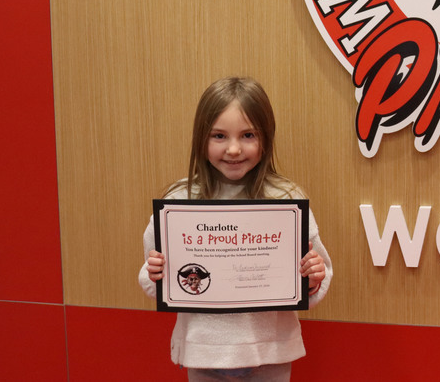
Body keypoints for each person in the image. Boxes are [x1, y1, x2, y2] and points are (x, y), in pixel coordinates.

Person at [139, 77, 331, 382]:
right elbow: (152, 278)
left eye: (248, 135)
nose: (233, 149)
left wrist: (313, 277)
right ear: (201, 138)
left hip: (269, 353)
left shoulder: (286, 200)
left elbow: (316, 278)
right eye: (218, 135)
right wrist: (155, 274)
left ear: (266, 138)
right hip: (204, 351)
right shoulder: (178, 202)